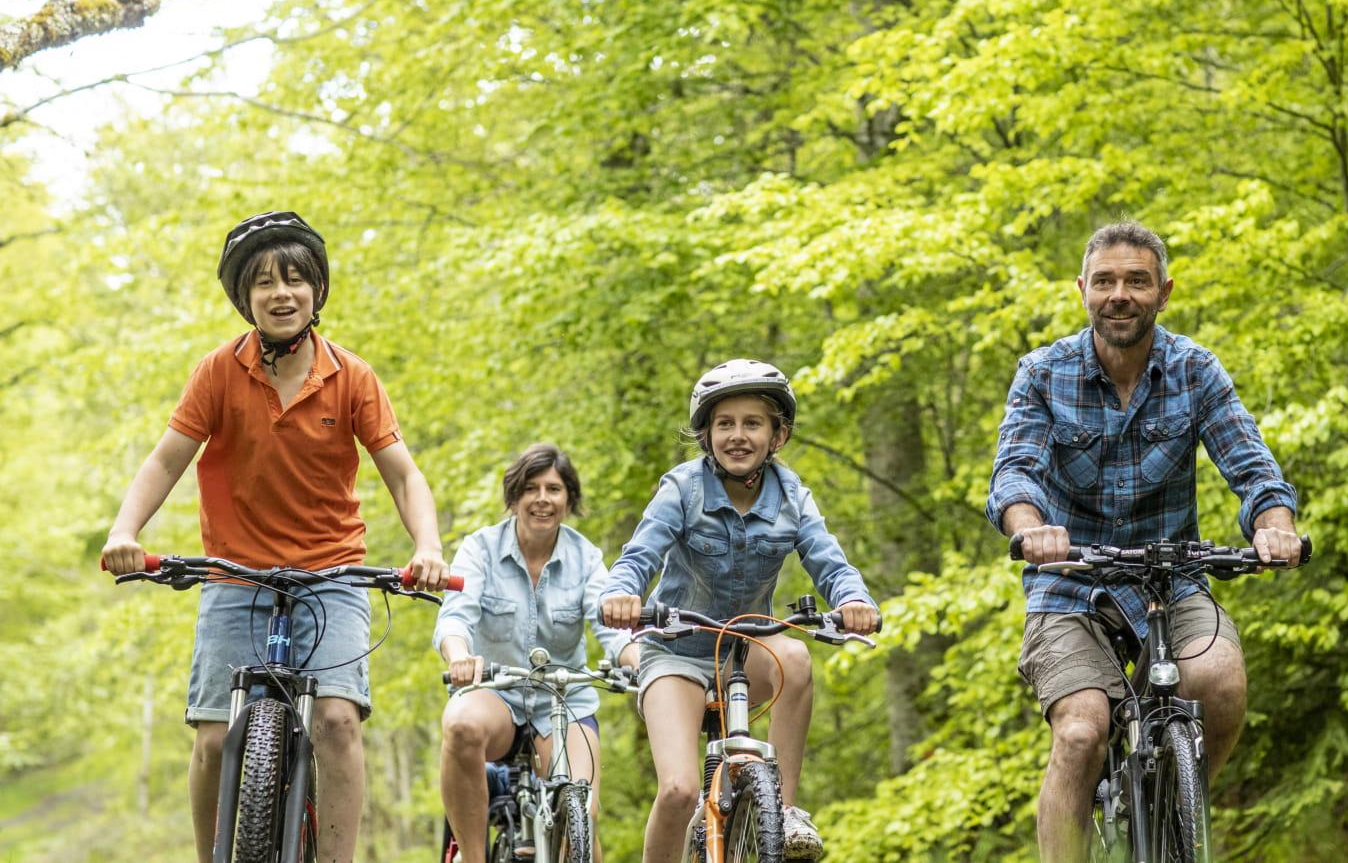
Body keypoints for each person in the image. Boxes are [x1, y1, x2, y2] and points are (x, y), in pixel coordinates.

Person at [99, 211, 449, 863]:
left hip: (333, 575)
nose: (280, 293)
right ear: (244, 298)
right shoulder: (216, 372)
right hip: (235, 575)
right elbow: (165, 460)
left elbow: (402, 475)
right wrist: (126, 530)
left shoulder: (352, 377)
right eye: (264, 282)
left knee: (339, 723)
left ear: (316, 291)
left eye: (294, 279)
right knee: (210, 739)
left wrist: (426, 546)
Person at [986, 220, 1304, 862]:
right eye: (1104, 281)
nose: (1119, 294)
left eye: (1137, 281)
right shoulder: (1044, 374)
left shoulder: (1195, 370)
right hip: (1070, 586)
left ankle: (1173, 809)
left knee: (1218, 680)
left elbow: (1251, 464)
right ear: (1083, 290)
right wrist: (1031, 529)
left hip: (1171, 578)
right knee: (1081, 733)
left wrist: (1275, 526)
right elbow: (1014, 473)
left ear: (1164, 292)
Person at [599, 359, 879, 863]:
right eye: (724, 424)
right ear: (706, 435)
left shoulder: (793, 496)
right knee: (681, 791)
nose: (738, 436)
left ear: (778, 435)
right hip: (678, 651)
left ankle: (785, 811)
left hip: (746, 649)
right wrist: (621, 596)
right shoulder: (681, 489)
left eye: (753, 423)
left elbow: (829, 561)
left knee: (793, 656)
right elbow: (638, 557)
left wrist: (854, 601)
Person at [434, 443, 641, 863]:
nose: (542, 499)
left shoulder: (586, 558)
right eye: (531, 488)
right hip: (498, 693)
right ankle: (473, 858)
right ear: (515, 497)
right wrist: (459, 656)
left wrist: (642, 667)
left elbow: (611, 626)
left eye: (554, 489)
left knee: (582, 813)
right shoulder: (480, 549)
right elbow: (456, 617)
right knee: (460, 725)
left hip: (564, 700)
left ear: (568, 500)